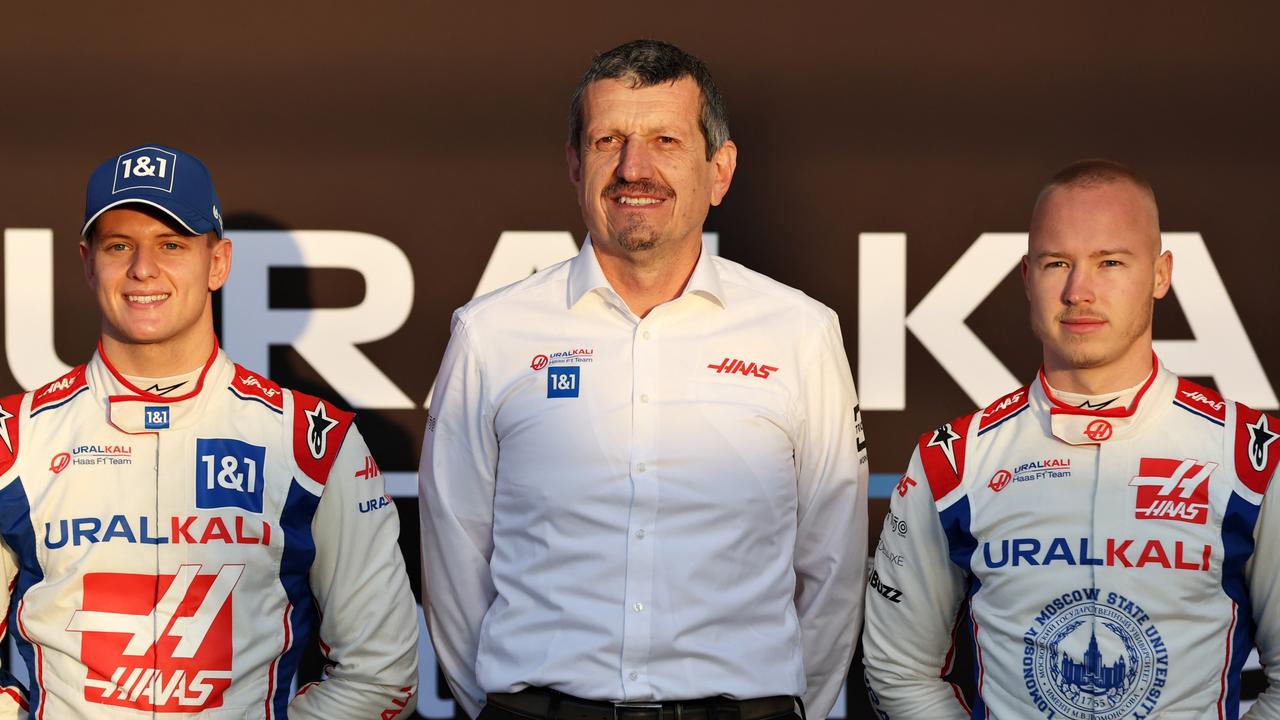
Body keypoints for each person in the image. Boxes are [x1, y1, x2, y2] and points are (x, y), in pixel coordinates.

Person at [420, 40, 867, 720]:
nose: (635, 168)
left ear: (719, 170)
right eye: (609, 141)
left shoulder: (801, 333)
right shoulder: (491, 334)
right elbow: (453, 557)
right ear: (575, 165)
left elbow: (832, 568)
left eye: (665, 139)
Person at [0, 144, 419, 718]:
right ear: (86, 261)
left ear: (218, 262)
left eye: (171, 244)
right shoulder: (13, 442)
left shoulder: (311, 444)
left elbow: (382, 672)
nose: (143, 269)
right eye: (119, 245)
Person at [862, 159, 1280, 718]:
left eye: (1110, 261)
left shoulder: (1251, 455)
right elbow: (899, 669)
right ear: (1026, 277)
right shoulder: (956, 460)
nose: (1079, 291)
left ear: (1160, 274)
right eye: (1057, 263)